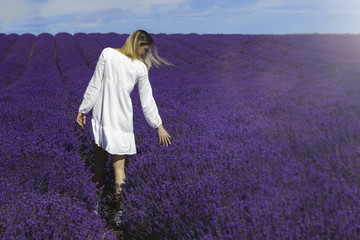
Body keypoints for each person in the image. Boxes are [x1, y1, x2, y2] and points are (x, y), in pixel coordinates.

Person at [76, 30, 172, 224]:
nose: (145, 52)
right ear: (136, 42)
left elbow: (95, 84)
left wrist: (84, 109)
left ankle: (97, 206)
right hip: (120, 121)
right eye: (144, 48)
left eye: (147, 49)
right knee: (118, 169)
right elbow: (147, 101)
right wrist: (158, 124)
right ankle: (119, 213)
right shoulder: (137, 67)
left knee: (100, 165)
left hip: (104, 118)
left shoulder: (108, 54)